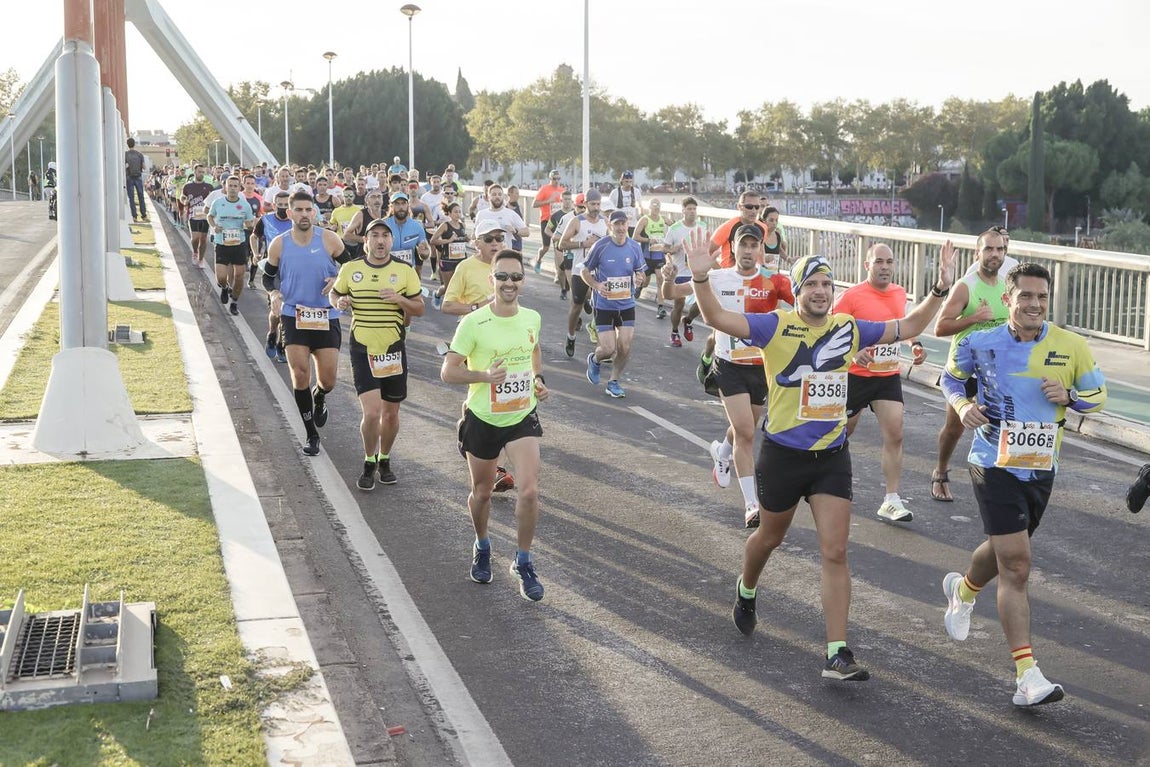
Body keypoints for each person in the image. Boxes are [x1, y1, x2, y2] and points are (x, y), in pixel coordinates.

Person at [686, 228, 956, 681]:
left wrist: (939, 290)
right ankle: (746, 588)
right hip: (784, 455)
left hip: (831, 456)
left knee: (835, 552)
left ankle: (837, 653)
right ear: (796, 291)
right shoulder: (774, 324)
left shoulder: (847, 329)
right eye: (810, 284)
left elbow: (908, 327)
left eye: (827, 285)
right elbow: (717, 318)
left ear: (835, 292)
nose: (820, 291)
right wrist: (699, 279)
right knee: (769, 539)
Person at [939, 262, 1107, 707]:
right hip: (992, 460)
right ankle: (1026, 675)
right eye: (1026, 296)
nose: (1034, 304)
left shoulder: (1070, 345)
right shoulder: (980, 341)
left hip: (1040, 467)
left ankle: (963, 591)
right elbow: (951, 376)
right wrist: (960, 405)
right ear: (1008, 299)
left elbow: (1097, 395)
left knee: (1002, 551)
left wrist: (1070, 398)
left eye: (1042, 297)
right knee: (1017, 564)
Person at [664, 225, 794, 527]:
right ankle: (751, 504)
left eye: (753, 245)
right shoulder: (717, 277)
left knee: (742, 428)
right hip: (729, 366)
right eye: (742, 244)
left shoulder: (774, 282)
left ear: (761, 249)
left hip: (762, 368)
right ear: (733, 248)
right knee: (747, 432)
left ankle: (722, 453)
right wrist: (669, 278)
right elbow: (671, 294)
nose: (748, 250)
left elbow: (806, 305)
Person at [441, 250, 550, 601]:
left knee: (529, 490)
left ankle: (522, 560)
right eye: (502, 276)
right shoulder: (473, 323)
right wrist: (483, 377)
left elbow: (533, 351)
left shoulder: (532, 317)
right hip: (483, 417)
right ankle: (483, 544)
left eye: (515, 277)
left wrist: (538, 379)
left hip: (521, 415)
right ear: (491, 280)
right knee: (483, 492)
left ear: (524, 281)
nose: (509, 283)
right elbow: (449, 371)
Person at [833, 243, 927, 522]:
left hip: (886, 376)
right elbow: (832, 333)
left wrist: (915, 343)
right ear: (867, 266)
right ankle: (818, 477)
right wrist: (853, 354)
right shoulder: (851, 297)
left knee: (895, 434)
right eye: (878, 262)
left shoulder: (899, 293)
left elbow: (903, 325)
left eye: (889, 262)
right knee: (841, 434)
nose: (885, 266)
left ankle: (891, 499)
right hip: (854, 376)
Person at [331, 219, 425, 489]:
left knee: (391, 415)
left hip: (393, 349)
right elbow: (335, 295)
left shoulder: (404, 270)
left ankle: (385, 458)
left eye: (385, 236)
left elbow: (419, 309)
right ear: (366, 241)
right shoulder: (351, 269)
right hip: (362, 348)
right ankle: (369, 460)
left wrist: (400, 300)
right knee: (372, 414)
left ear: (391, 241)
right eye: (375, 236)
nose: (381, 241)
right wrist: (339, 301)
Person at [262, 191, 347, 456]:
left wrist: (338, 281)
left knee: (329, 380)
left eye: (308, 210)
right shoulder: (279, 243)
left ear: (314, 213)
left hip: (326, 315)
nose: (304, 214)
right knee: (300, 375)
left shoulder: (329, 239)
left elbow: (352, 267)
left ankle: (320, 396)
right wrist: (274, 293)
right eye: (298, 210)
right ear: (290, 214)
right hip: (293, 315)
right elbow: (268, 278)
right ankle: (311, 434)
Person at [932, 229, 1010, 501]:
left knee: (1003, 424)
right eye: (989, 249)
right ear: (978, 254)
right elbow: (940, 327)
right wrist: (974, 318)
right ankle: (940, 471)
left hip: (995, 371)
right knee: (955, 429)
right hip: (964, 370)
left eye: (999, 250)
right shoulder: (966, 286)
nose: (994, 255)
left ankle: (1000, 481)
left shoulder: (1008, 287)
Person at [582, 210, 646, 398]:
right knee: (608, 349)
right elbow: (585, 271)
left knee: (625, 347)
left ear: (628, 225)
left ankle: (614, 381)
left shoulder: (634, 247)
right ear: (610, 225)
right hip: (604, 305)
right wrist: (596, 285)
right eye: (616, 224)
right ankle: (595, 359)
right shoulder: (600, 246)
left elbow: (640, 274)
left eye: (623, 224)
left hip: (626, 304)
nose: (620, 228)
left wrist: (641, 279)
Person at [557, 189, 606, 358]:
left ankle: (602, 347)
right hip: (580, 270)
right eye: (592, 204)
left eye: (598, 204)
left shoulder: (605, 222)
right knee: (577, 305)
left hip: (600, 272)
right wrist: (583, 243)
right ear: (585, 204)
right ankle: (571, 336)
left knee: (600, 308)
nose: (596, 207)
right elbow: (562, 244)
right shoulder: (577, 221)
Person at [206, 175, 257, 316]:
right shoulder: (218, 202)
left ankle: (234, 302)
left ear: (239, 188)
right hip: (222, 243)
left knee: (239, 276)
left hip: (238, 243)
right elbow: (209, 216)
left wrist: (249, 225)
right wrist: (214, 226)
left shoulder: (245, 205)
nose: (233, 189)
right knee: (221, 278)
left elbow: (250, 222)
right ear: (225, 187)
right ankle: (224, 287)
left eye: (235, 186)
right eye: (230, 185)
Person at [663, 196, 707, 347]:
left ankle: (688, 320)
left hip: (697, 272)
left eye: (694, 209)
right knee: (679, 305)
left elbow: (709, 246)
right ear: (683, 211)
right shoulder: (674, 228)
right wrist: (673, 250)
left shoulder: (702, 225)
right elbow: (665, 248)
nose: (692, 212)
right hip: (680, 272)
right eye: (689, 209)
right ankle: (674, 332)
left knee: (702, 304)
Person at [632, 199, 671, 319]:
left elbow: (675, 226)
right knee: (645, 281)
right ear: (649, 207)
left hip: (659, 255)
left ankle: (660, 308)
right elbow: (635, 237)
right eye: (654, 207)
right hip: (646, 256)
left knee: (660, 279)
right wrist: (649, 240)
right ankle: (638, 288)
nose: (656, 209)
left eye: (658, 207)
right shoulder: (644, 220)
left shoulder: (663, 219)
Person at [430, 201, 469, 309]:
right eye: (455, 212)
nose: (458, 214)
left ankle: (462, 310)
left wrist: (466, 239)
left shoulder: (462, 225)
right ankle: (437, 294)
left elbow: (462, 239)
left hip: (461, 260)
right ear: (450, 213)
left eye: (459, 212)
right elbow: (433, 241)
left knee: (463, 286)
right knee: (448, 288)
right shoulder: (445, 226)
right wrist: (448, 240)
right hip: (447, 260)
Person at [381, 191, 430, 276]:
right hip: (386, 271)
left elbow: (424, 253)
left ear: (408, 205)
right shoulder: (382, 225)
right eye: (397, 204)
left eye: (403, 203)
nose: (401, 207)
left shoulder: (417, 226)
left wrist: (424, 253)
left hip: (408, 272)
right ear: (391, 207)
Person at [181, 164, 216, 266]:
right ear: (194, 172)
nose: (201, 174)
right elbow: (182, 196)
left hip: (205, 215)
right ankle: (195, 251)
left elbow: (213, 201)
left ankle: (201, 259)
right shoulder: (188, 186)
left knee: (203, 238)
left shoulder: (209, 187)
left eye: (203, 172)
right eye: (199, 172)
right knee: (195, 237)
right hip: (193, 215)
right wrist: (184, 201)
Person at [533, 169, 565, 272]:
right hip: (546, 220)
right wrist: (548, 201)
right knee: (546, 247)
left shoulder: (562, 190)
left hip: (558, 221)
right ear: (550, 179)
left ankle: (558, 272)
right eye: (554, 179)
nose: (556, 181)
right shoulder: (544, 189)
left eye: (558, 179)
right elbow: (534, 204)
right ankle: (538, 260)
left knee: (559, 247)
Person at [603, 170, 642, 235]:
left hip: (633, 224)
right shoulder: (615, 192)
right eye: (626, 181)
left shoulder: (636, 191)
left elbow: (640, 206)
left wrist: (640, 215)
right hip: (620, 224)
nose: (629, 184)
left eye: (630, 181)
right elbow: (609, 207)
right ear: (621, 181)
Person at [125, 137, 149, 222]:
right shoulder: (139, 154)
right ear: (134, 144)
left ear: (127, 145)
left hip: (129, 177)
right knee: (141, 196)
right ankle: (144, 215)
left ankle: (134, 216)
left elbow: (124, 166)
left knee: (131, 197)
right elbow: (144, 167)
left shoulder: (125, 154)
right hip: (138, 177)